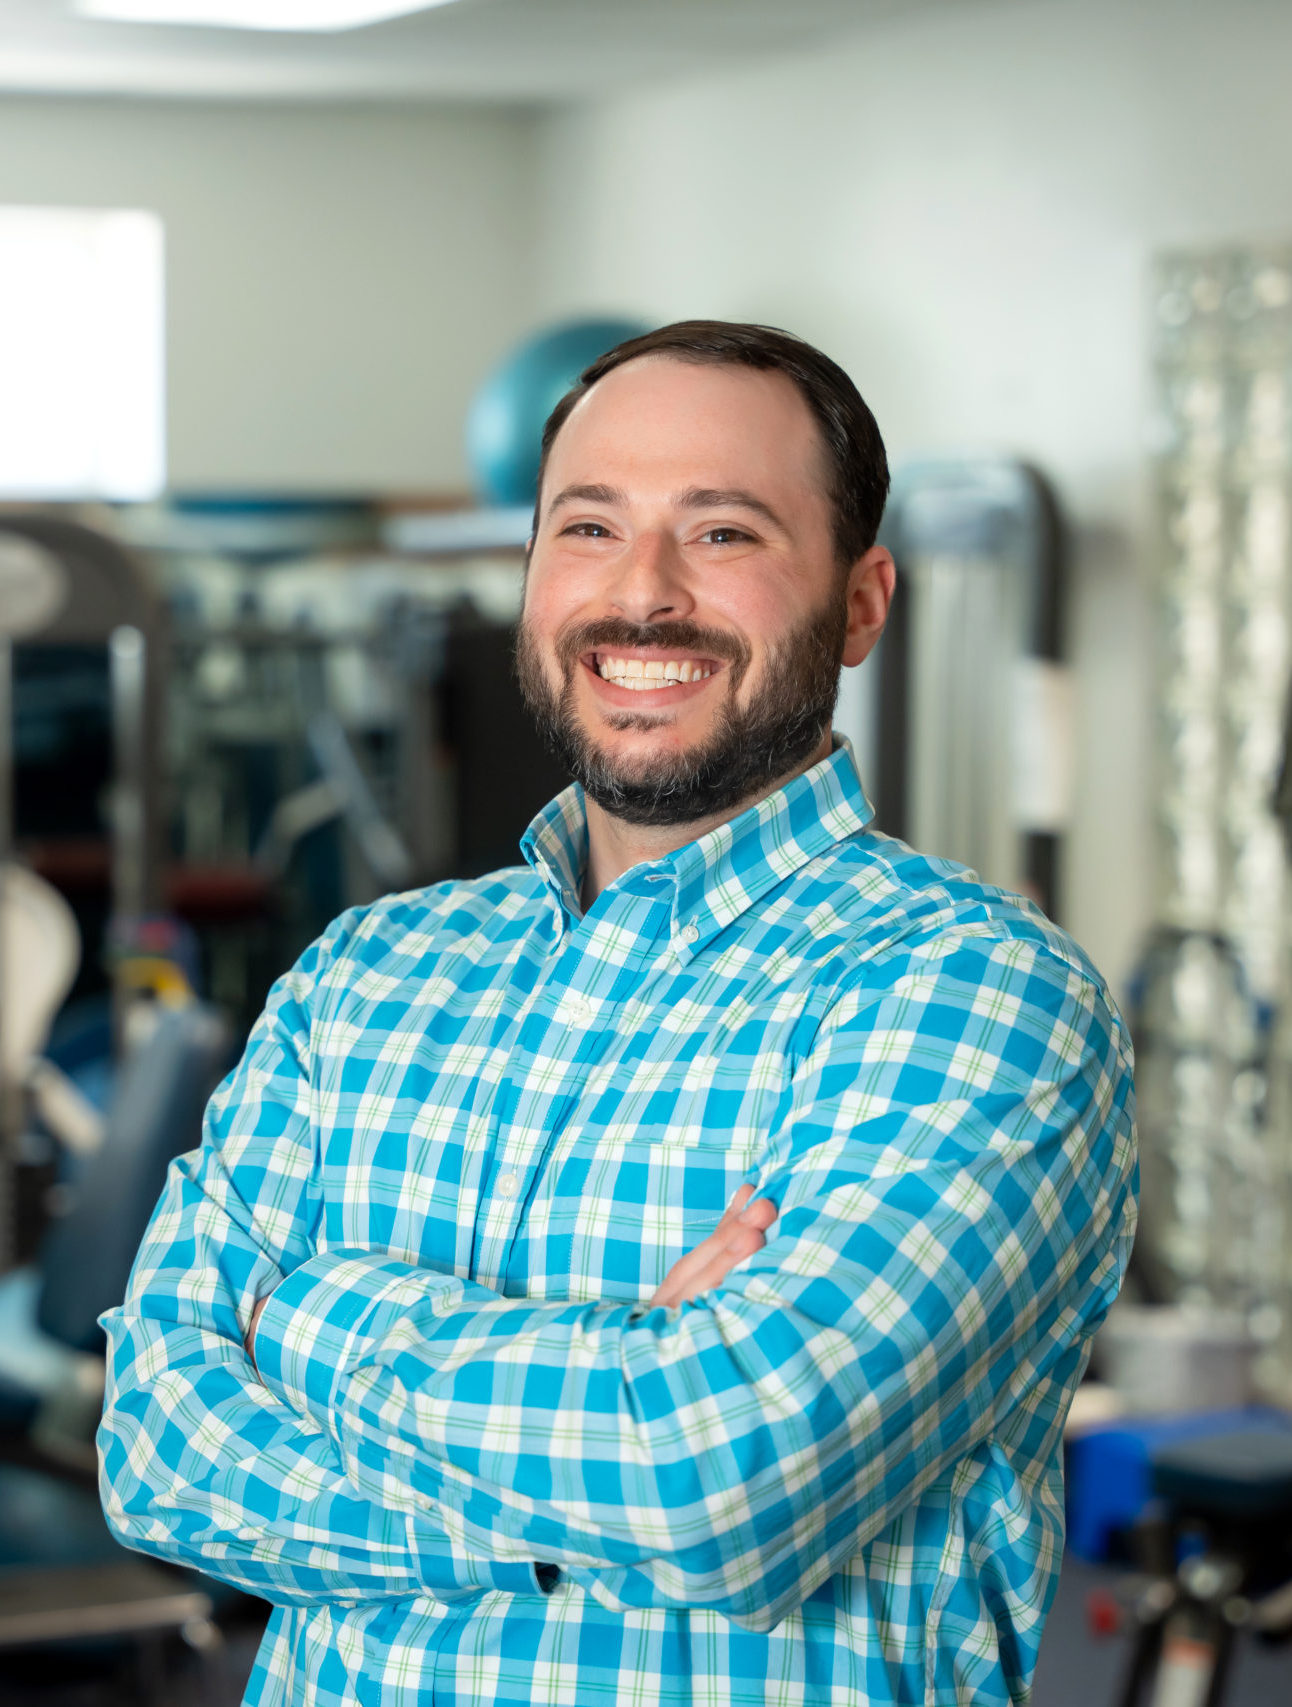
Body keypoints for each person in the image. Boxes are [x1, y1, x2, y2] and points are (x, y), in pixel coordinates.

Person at [99, 321, 1137, 1707]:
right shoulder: (367, 978)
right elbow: (158, 1452)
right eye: (587, 526)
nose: (641, 596)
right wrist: (605, 1425)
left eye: (723, 534)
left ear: (862, 601)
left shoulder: (975, 996)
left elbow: (720, 1480)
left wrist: (310, 1319)